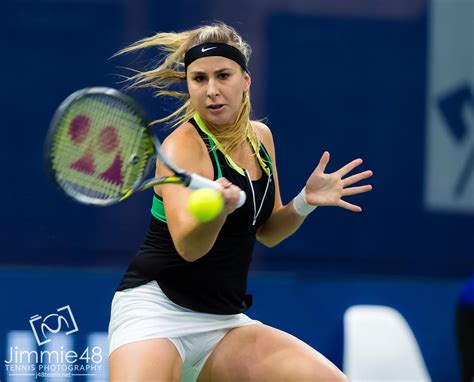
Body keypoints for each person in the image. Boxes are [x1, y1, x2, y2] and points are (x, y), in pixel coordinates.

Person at [108, 22, 373, 382]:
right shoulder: (181, 147)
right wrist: (218, 212)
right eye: (199, 79)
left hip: (223, 324)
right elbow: (188, 247)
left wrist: (304, 202)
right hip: (157, 312)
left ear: (245, 80)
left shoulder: (260, 138)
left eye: (223, 75)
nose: (212, 91)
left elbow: (268, 232)